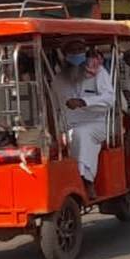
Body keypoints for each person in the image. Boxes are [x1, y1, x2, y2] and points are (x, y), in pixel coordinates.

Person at [50, 40, 114, 196]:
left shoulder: (98, 72)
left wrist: (83, 102)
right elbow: (52, 106)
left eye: (79, 49)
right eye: (72, 50)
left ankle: (86, 180)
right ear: (65, 55)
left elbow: (109, 99)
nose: (76, 53)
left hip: (96, 124)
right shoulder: (59, 79)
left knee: (81, 134)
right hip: (66, 125)